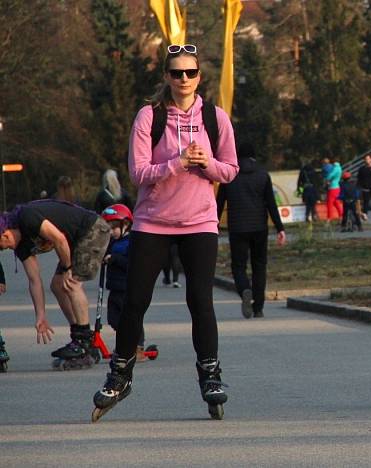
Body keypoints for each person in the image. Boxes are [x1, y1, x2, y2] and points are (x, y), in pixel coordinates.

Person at [92, 44, 239, 422]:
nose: (184, 80)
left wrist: (207, 163)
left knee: (200, 302)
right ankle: (120, 375)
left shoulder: (215, 117)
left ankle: (210, 375)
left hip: (200, 222)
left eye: (190, 73)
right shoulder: (149, 117)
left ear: (199, 77)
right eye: (176, 73)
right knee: (135, 302)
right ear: (167, 77)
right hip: (153, 221)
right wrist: (176, 163)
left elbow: (231, 170)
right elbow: (138, 174)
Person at [0, 200, 111, 369]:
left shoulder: (27, 217)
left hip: (92, 229)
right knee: (57, 285)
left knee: (71, 283)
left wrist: (67, 268)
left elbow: (59, 238)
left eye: (3, 246)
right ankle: (80, 336)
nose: (6, 249)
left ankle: (83, 343)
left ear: (5, 233)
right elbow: (34, 280)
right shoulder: (21, 246)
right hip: (75, 240)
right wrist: (41, 316)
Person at [216, 142, 287, 319]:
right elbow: (271, 203)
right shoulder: (263, 175)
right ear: (254, 156)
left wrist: (213, 224)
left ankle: (244, 290)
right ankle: (259, 308)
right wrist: (280, 228)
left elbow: (219, 203)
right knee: (259, 266)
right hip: (259, 228)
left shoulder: (229, 175)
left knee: (238, 266)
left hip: (237, 227)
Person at [101, 204, 148, 361]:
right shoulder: (113, 242)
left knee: (130, 317)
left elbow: (132, 263)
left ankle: (137, 346)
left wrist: (114, 259)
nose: (111, 232)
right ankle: (125, 343)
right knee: (114, 318)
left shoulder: (131, 242)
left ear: (126, 225)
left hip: (126, 287)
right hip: (114, 287)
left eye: (114, 228)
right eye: (109, 229)